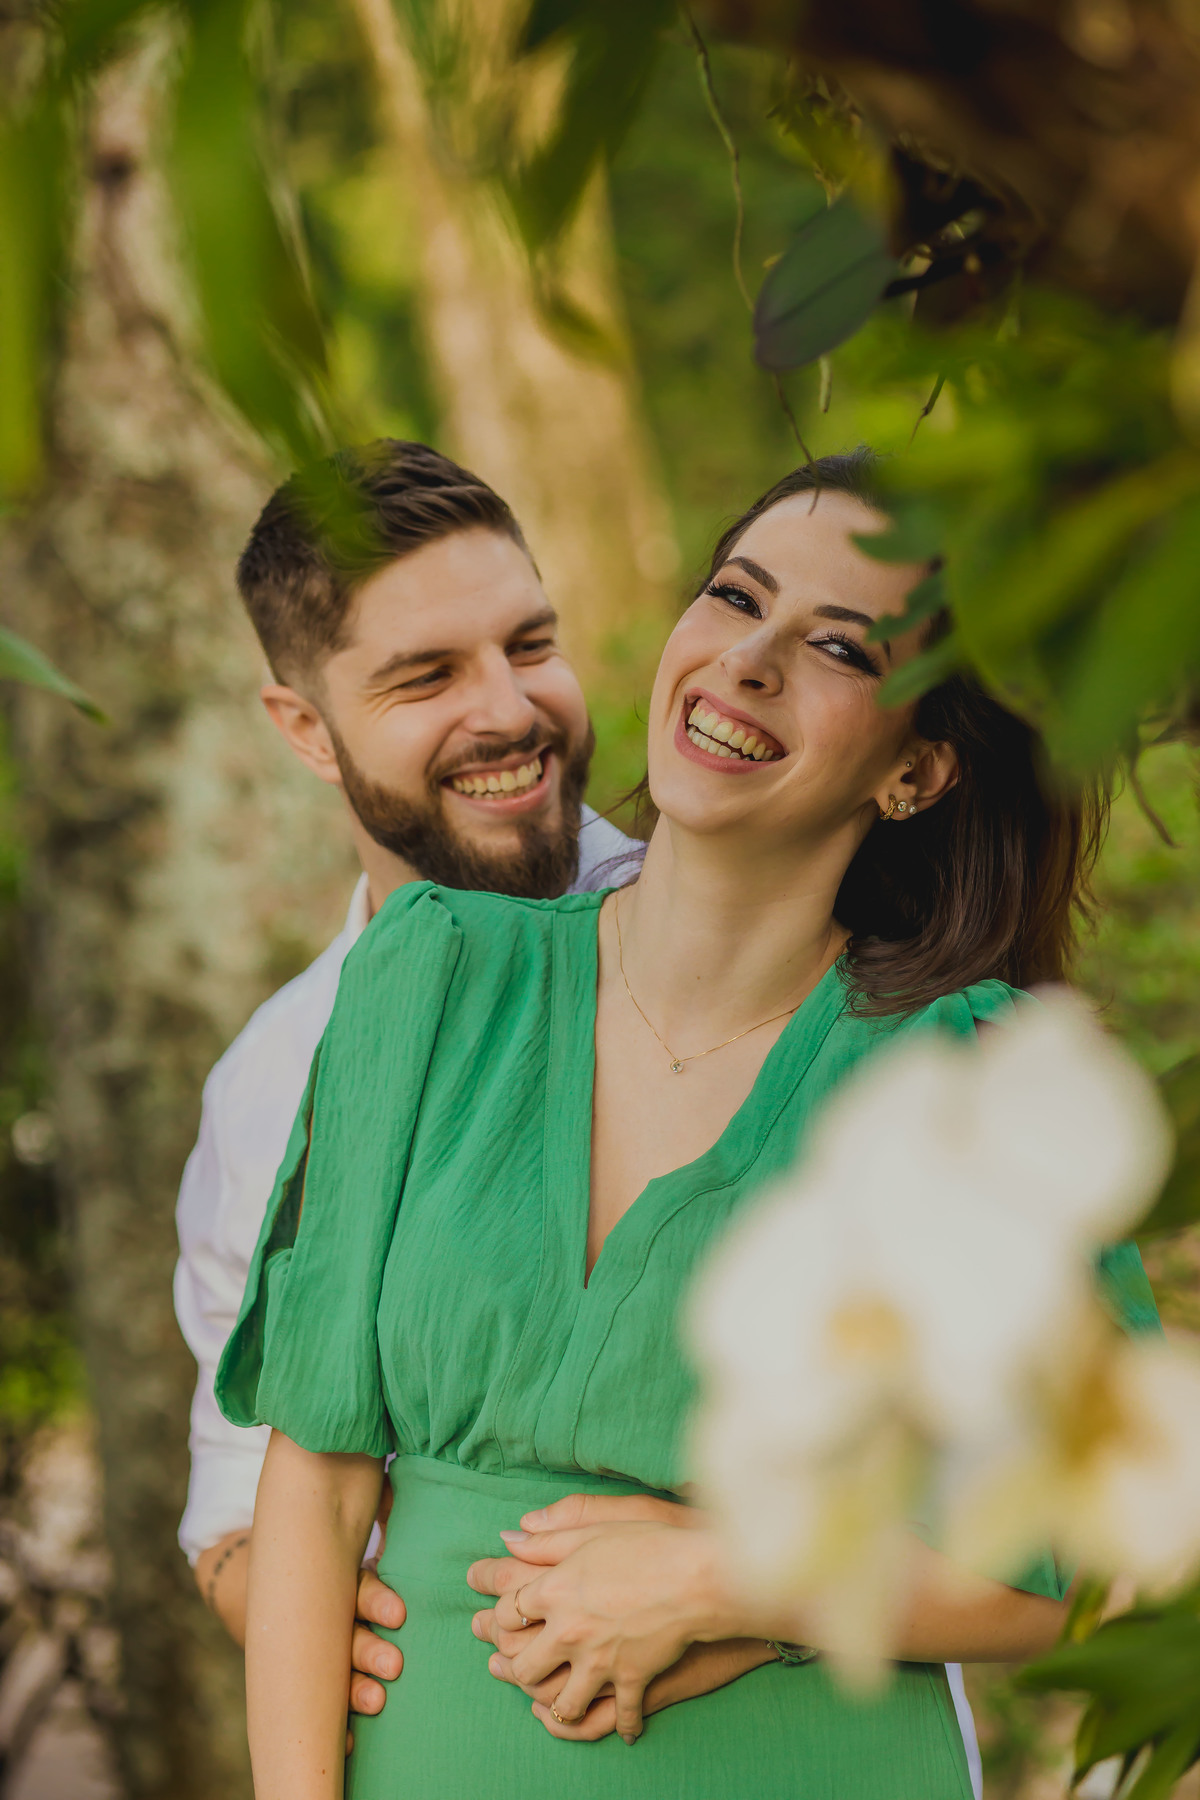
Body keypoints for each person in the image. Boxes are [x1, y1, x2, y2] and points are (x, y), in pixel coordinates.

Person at [219, 452, 1154, 1799]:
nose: (748, 662)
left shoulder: (969, 1079)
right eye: (737, 596)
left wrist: (737, 1578)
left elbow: (1098, 1565)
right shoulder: (432, 974)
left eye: (840, 646)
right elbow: (314, 1488)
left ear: (918, 768)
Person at [174, 441, 641, 1671]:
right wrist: (316, 1618)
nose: (511, 710)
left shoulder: (747, 944)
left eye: (530, 646)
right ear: (307, 730)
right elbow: (229, 1503)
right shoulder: (272, 1083)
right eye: (428, 676)